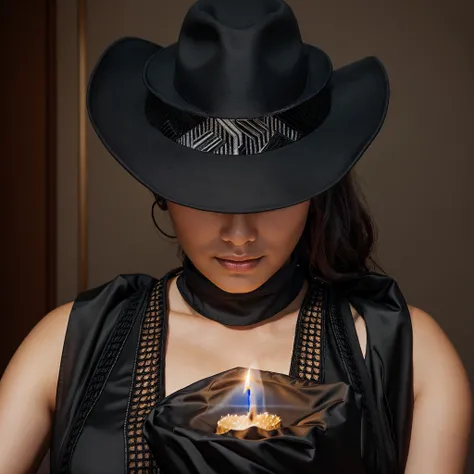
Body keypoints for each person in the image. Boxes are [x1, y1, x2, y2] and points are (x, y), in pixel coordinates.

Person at [0, 0, 471, 472]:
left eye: (272, 196)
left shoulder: (408, 355)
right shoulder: (70, 344)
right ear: (164, 188)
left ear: (315, 188)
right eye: (208, 197)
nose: (240, 235)